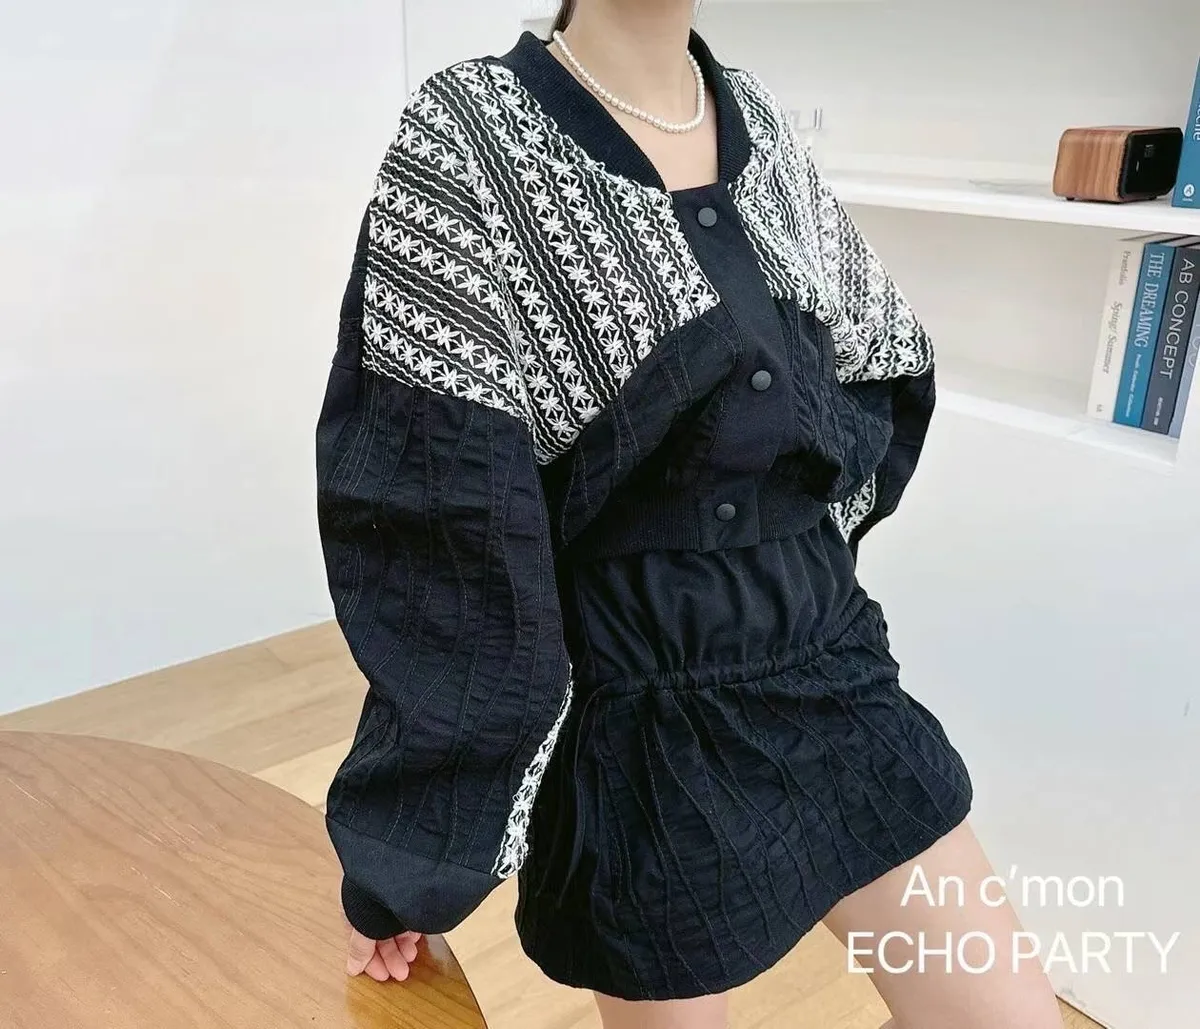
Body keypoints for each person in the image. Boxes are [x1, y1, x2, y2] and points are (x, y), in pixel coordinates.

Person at [314, 1, 1066, 1027]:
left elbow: (877, 357)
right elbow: (433, 517)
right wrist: (406, 858)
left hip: (833, 668)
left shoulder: (757, 117)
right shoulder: (466, 136)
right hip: (643, 726)